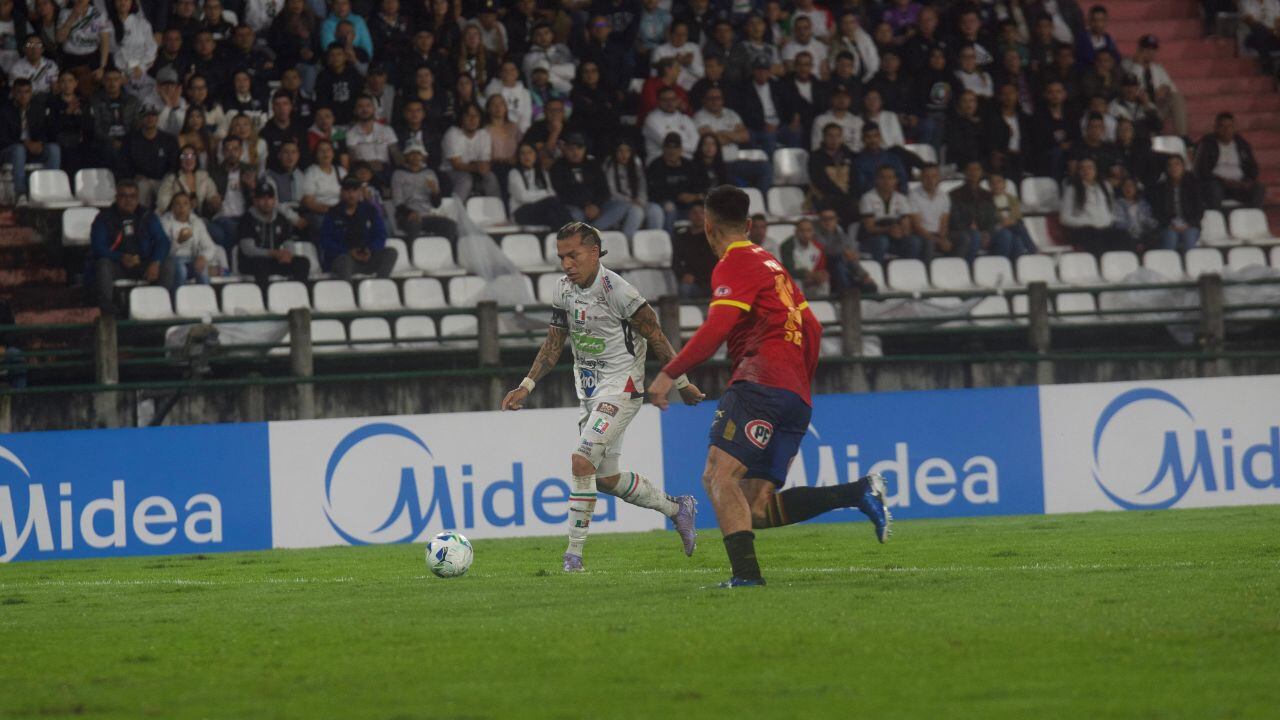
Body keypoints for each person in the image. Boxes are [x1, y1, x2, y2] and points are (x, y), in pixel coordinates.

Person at [647, 185, 890, 588]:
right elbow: (813, 327)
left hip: (760, 383)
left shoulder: (734, 263)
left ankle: (746, 577)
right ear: (747, 224)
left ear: (708, 227)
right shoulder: (772, 264)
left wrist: (668, 373)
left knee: (717, 477)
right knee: (753, 506)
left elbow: (715, 329)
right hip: (795, 395)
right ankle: (857, 492)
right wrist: (797, 383)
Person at [501, 221, 702, 572]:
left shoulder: (620, 292)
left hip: (623, 389)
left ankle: (573, 557)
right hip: (590, 392)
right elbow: (553, 345)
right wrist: (526, 385)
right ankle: (677, 508)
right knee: (605, 479)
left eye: (573, 255)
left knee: (581, 461)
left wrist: (681, 382)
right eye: (561, 257)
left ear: (594, 253)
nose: (566, 264)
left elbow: (657, 336)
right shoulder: (563, 290)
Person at [89, 180, 174, 315]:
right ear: (116, 198)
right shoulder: (104, 218)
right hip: (117, 265)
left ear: (138, 198)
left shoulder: (147, 215)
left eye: (132, 196)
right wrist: (120, 257)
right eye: (123, 196)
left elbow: (163, 241)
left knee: (168, 264)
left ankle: (157, 307)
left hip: (143, 263)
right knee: (103, 264)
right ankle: (108, 313)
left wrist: (155, 262)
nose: (128, 200)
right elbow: (98, 247)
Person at [551, 132, 635, 235]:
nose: (575, 152)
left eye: (579, 148)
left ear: (585, 149)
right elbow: (562, 193)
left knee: (623, 206)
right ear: (564, 149)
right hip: (574, 206)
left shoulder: (592, 164)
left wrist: (596, 205)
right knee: (575, 215)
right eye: (571, 149)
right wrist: (585, 206)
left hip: (596, 206)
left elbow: (604, 190)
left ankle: (593, 231)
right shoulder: (557, 167)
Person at [320, 176, 395, 279]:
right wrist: (348, 252)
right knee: (344, 261)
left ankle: (381, 283)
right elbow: (326, 241)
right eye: (347, 190)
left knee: (391, 253)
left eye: (354, 190)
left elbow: (380, 235)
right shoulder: (332, 213)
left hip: (367, 257)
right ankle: (348, 288)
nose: (351, 194)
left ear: (360, 192)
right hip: (344, 258)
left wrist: (370, 249)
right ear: (341, 192)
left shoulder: (370, 210)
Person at [237, 183, 310, 286]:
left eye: (270, 198)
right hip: (252, 262)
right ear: (255, 201)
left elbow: (288, 242)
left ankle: (298, 293)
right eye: (262, 198)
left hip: (274, 260)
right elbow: (248, 250)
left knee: (302, 263)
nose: (266, 202)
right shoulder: (247, 219)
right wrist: (273, 253)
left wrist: (287, 255)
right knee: (261, 265)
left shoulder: (280, 218)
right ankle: (264, 295)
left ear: (274, 200)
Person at [0, 79, 58, 201]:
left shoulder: (38, 108)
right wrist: (25, 143)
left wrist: (40, 143)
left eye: (26, 92)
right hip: (10, 150)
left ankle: (50, 190)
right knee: (19, 150)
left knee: (54, 149)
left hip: (33, 148)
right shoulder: (4, 110)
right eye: (19, 92)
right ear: (13, 93)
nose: (23, 96)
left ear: (31, 93)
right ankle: (20, 194)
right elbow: (3, 138)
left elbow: (44, 130)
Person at [1194, 112, 1266, 211]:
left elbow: (1253, 168)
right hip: (1217, 184)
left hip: (1239, 184)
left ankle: (1248, 216)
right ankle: (1220, 217)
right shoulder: (1207, 144)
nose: (1226, 130)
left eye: (1230, 126)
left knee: (1259, 188)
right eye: (1222, 126)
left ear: (1234, 128)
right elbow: (1201, 170)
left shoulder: (1242, 144)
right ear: (1215, 128)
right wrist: (1222, 181)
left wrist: (1247, 180)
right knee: (1214, 189)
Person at [1061, 158, 1130, 255]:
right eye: (1082, 168)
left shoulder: (1106, 186)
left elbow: (1111, 210)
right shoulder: (1072, 189)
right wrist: (1088, 222)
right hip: (1084, 230)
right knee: (1095, 238)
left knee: (1123, 236)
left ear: (1096, 170)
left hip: (1105, 229)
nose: (1086, 171)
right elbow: (1064, 218)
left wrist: (1108, 221)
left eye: (1090, 167)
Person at [1122, 35, 1187, 137]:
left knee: (1176, 98)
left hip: (1154, 110)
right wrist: (1138, 64)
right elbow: (1131, 85)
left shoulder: (1157, 68)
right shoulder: (1127, 64)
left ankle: (1183, 137)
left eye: (1153, 50)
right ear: (1139, 50)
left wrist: (1166, 88)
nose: (1150, 53)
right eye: (1147, 49)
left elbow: (1173, 88)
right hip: (1137, 111)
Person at [391, 142, 457, 241]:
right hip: (406, 216)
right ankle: (412, 250)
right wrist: (409, 213)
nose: (415, 156)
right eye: (412, 153)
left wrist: (435, 192)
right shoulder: (398, 174)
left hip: (427, 214)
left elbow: (436, 204)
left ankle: (446, 250)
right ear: (406, 156)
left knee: (450, 226)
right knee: (414, 225)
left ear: (423, 156)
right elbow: (398, 202)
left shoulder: (429, 173)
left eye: (418, 153)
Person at [860, 164, 921, 263]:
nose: (886, 181)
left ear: (896, 180)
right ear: (876, 180)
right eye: (882, 178)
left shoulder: (901, 198)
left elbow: (906, 226)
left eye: (890, 178)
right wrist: (888, 230)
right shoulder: (867, 198)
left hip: (895, 237)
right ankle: (880, 270)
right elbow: (869, 228)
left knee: (914, 241)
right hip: (871, 239)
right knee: (882, 241)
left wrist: (901, 232)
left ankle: (907, 269)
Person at [121, 106, 180, 208]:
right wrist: (134, 175)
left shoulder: (169, 140)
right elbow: (124, 163)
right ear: (141, 118)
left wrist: (168, 177)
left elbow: (175, 164)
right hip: (141, 181)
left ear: (157, 118)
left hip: (163, 180)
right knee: (142, 187)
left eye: (153, 115)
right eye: (146, 116)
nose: (150, 118)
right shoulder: (130, 140)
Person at [604, 140, 663, 237]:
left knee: (655, 209)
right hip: (617, 203)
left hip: (637, 201)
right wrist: (630, 201)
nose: (624, 154)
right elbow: (612, 192)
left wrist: (641, 200)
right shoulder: (609, 165)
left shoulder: (636, 164)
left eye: (627, 151)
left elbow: (642, 187)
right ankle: (628, 242)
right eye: (620, 151)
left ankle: (654, 241)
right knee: (636, 211)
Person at [441, 102, 500, 200]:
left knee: (490, 177)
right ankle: (454, 209)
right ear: (461, 118)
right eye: (468, 115)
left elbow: (484, 163)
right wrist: (477, 167)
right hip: (450, 171)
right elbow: (457, 165)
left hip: (474, 169)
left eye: (476, 115)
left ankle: (496, 207)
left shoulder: (484, 134)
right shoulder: (452, 133)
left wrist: (480, 167)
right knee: (466, 179)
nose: (472, 119)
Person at [507, 141, 572, 228]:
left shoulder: (542, 172)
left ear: (535, 155)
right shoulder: (514, 173)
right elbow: (523, 197)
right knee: (551, 204)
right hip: (520, 211)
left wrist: (546, 195)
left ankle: (569, 233)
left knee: (552, 213)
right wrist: (545, 193)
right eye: (522, 153)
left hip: (542, 208)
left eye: (530, 152)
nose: (526, 156)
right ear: (519, 156)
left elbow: (551, 193)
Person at [646, 133, 700, 236]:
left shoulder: (689, 165)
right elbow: (655, 192)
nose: (672, 151)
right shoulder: (656, 166)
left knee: (701, 210)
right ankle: (669, 240)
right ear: (663, 149)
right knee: (670, 208)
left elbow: (697, 186)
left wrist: (694, 196)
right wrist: (677, 197)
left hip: (688, 204)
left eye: (675, 148)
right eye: (668, 148)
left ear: (681, 150)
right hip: (665, 203)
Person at [160, 191, 220, 285]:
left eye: (185, 203)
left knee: (202, 268)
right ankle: (176, 295)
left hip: (191, 259)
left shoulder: (196, 222)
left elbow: (210, 246)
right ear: (172, 207)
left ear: (190, 207)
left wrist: (203, 257)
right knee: (181, 270)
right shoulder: (165, 221)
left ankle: (205, 294)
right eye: (178, 204)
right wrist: (178, 241)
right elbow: (163, 251)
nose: (182, 207)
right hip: (171, 261)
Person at [808, 122, 860, 226]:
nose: (834, 139)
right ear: (824, 137)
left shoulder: (849, 155)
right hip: (826, 197)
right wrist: (841, 195)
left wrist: (851, 195)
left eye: (837, 136)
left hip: (848, 197)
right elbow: (820, 181)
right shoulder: (815, 157)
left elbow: (855, 178)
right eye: (830, 136)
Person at [1151, 155, 1204, 252]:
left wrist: (1188, 224)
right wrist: (1169, 225)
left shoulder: (1193, 186)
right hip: (1169, 226)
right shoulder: (1160, 189)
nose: (1174, 168)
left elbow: (1199, 210)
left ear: (1183, 167)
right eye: (1170, 165)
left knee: (1189, 238)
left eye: (1177, 164)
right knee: (1170, 238)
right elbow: (1157, 212)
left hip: (1189, 225)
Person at [946, 161, 996, 262]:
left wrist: (987, 232)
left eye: (977, 169)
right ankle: (969, 267)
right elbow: (954, 219)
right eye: (971, 170)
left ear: (981, 173)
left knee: (1007, 236)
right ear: (965, 172)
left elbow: (992, 218)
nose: (974, 172)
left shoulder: (988, 195)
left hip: (985, 231)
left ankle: (998, 266)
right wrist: (969, 226)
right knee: (975, 236)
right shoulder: (955, 194)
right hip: (966, 230)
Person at [909, 164, 953, 261]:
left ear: (939, 178)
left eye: (934, 176)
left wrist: (943, 238)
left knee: (963, 239)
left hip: (938, 234)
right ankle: (927, 269)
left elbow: (944, 222)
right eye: (927, 176)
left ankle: (954, 267)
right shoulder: (913, 195)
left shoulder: (944, 196)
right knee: (929, 243)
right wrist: (938, 241)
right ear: (921, 178)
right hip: (921, 234)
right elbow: (917, 226)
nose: (930, 180)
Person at [988, 173, 1037, 259]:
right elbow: (989, 217)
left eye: (999, 182)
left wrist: (1010, 221)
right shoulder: (986, 199)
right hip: (995, 228)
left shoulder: (1012, 198)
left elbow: (1017, 215)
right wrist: (1002, 222)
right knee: (1012, 232)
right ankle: (1033, 251)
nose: (996, 185)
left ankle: (1016, 264)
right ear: (990, 186)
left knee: (1016, 238)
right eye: (993, 183)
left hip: (1012, 226)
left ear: (1004, 184)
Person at [673, 203, 717, 298]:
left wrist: (696, 277)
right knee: (685, 288)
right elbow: (675, 261)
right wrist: (683, 275)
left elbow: (712, 263)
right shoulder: (681, 237)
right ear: (689, 215)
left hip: (710, 282)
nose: (698, 216)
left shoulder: (713, 238)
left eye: (701, 213)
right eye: (694, 213)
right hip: (691, 283)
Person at [777, 219, 829, 296]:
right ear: (796, 232)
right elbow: (788, 270)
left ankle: (823, 302)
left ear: (813, 232)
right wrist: (808, 275)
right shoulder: (787, 246)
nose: (805, 234)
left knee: (824, 282)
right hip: (796, 280)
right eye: (802, 231)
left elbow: (821, 268)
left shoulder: (818, 247)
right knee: (796, 282)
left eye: (808, 230)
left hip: (812, 281)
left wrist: (821, 275)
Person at [1112, 177, 1159, 251]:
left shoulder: (1143, 204)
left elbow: (1150, 220)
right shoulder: (1118, 203)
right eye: (1125, 186)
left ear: (1135, 188)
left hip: (1143, 236)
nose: (1128, 188)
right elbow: (1119, 223)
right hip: (1127, 236)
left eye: (1131, 186)